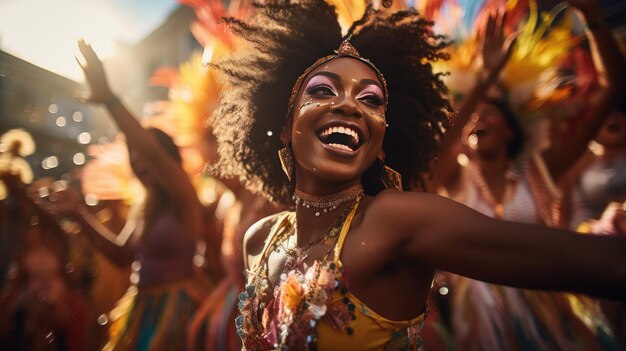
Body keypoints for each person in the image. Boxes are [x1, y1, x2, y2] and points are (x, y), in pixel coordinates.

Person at [206, 1, 626, 350]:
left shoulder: (394, 220)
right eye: (322, 90)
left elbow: (595, 264)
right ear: (282, 125)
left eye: (371, 100)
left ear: (383, 143)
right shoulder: (259, 240)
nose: (350, 106)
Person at [425, 0, 624, 348]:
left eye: (490, 113)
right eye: (473, 114)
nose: (477, 119)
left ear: (511, 131)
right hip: (481, 337)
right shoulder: (453, 180)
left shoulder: (539, 170)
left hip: (552, 330)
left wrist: (593, 18)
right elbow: (440, 146)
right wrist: (484, 79)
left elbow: (610, 91)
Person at [38, 40, 208, 351]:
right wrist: (78, 214)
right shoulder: (144, 204)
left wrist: (110, 99)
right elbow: (122, 257)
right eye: (132, 155)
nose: (139, 161)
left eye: (143, 153)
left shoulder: (183, 194)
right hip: (141, 309)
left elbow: (153, 155)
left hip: (176, 315)